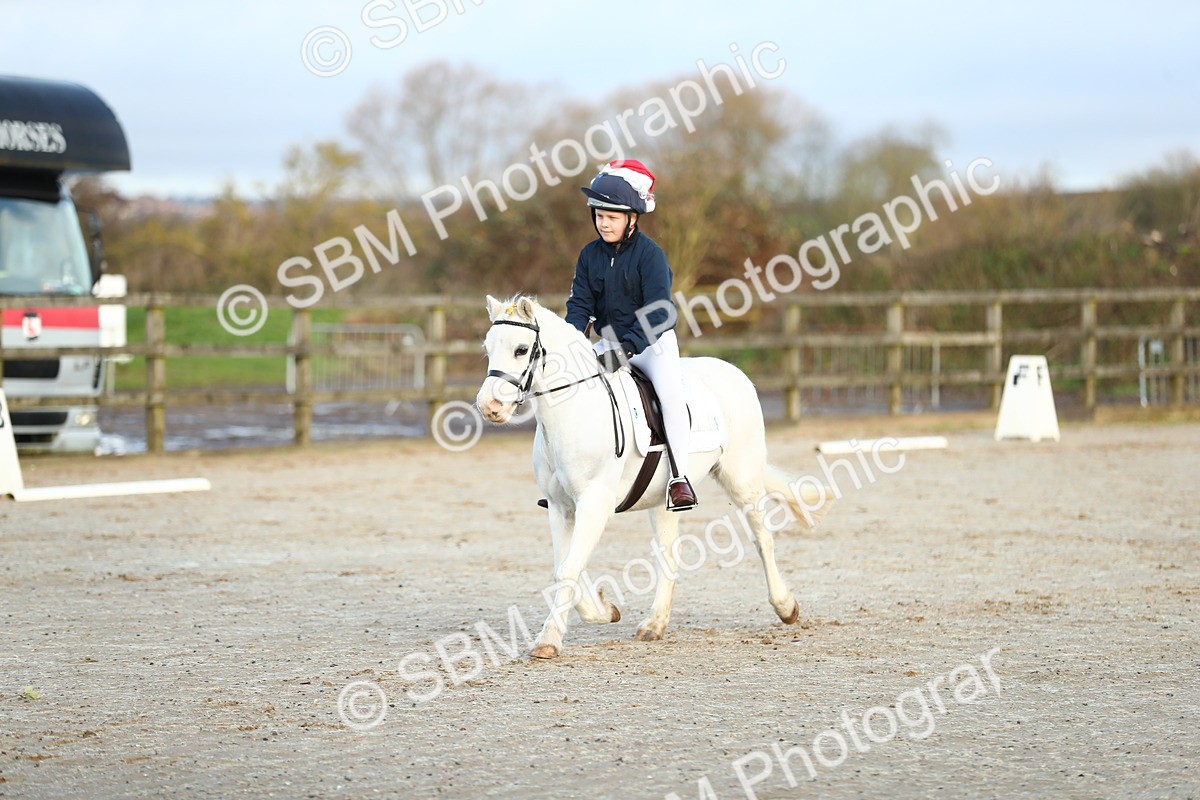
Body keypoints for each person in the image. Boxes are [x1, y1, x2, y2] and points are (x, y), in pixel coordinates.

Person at [565, 160, 697, 511]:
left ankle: (679, 479)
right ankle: (568, 476)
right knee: (571, 389)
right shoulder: (589, 255)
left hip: (652, 344)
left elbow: (658, 311)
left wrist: (626, 349)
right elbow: (580, 304)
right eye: (599, 215)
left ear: (631, 219)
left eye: (612, 217)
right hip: (609, 339)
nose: (603, 223)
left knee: (670, 397)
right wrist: (571, 339)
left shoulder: (650, 255)